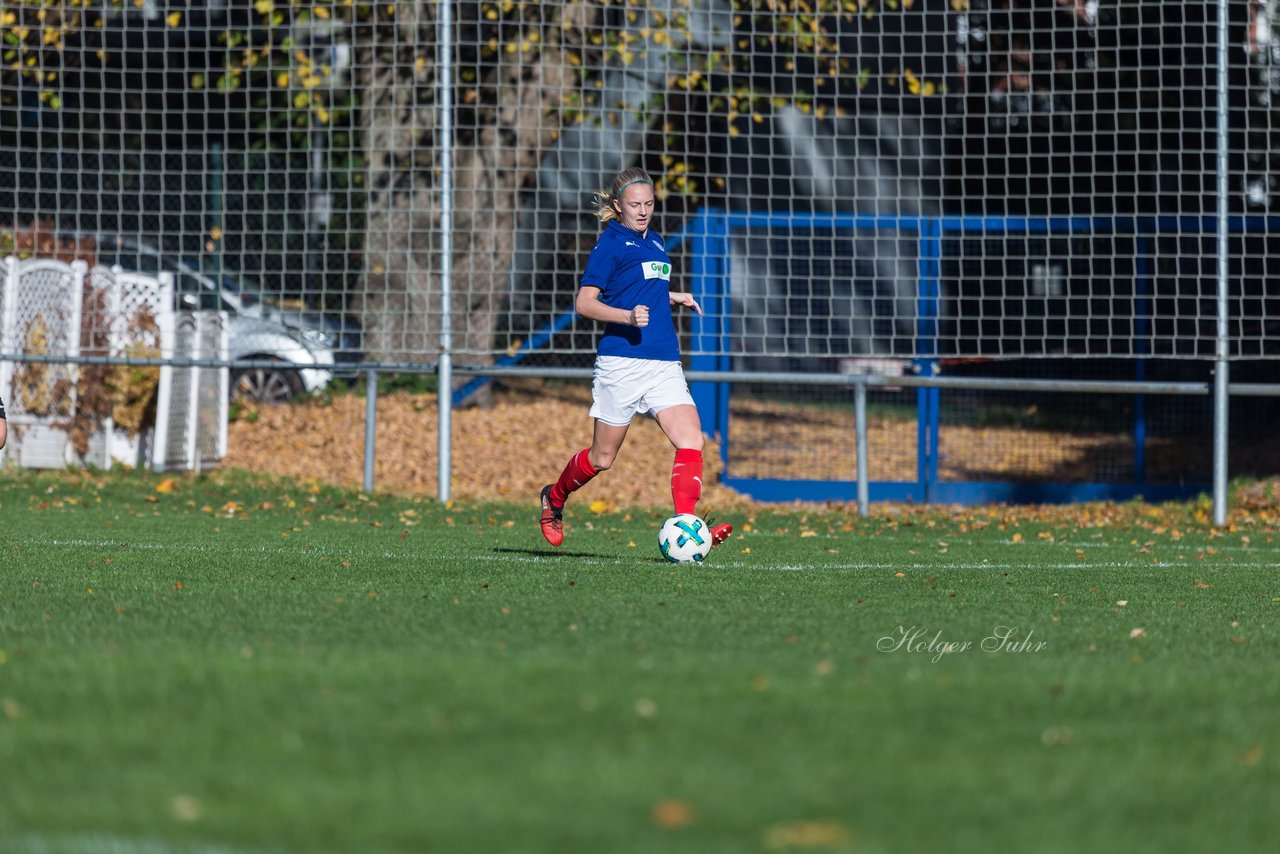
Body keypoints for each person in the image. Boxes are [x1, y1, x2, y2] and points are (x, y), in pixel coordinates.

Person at [539, 166, 732, 549]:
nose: (643, 211)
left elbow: (643, 285)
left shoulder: (656, 241)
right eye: (634, 205)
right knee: (602, 459)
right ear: (617, 205)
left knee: (692, 439)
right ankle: (554, 497)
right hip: (622, 362)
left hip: (663, 361)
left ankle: (688, 527)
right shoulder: (610, 245)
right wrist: (626, 317)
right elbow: (585, 303)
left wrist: (673, 296)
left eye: (649, 204)